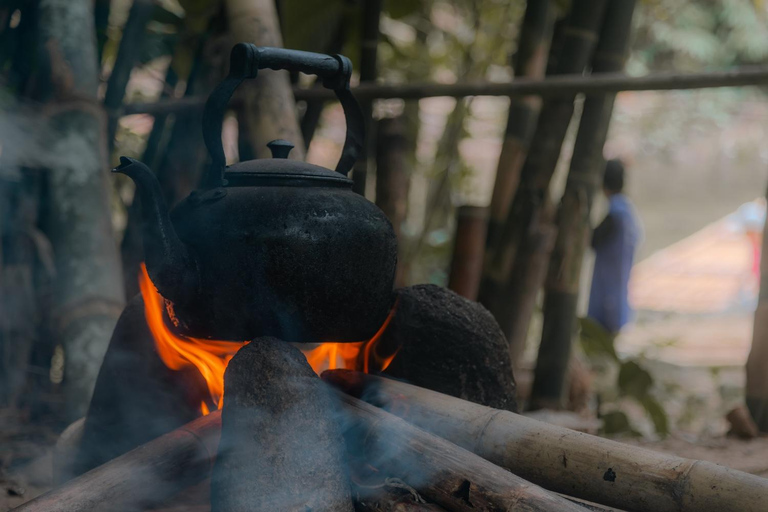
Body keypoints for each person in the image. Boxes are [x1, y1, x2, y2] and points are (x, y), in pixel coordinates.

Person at [588, 158, 641, 334]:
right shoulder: (627, 210)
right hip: (619, 285)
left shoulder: (615, 214)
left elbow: (592, 241)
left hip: (607, 292)